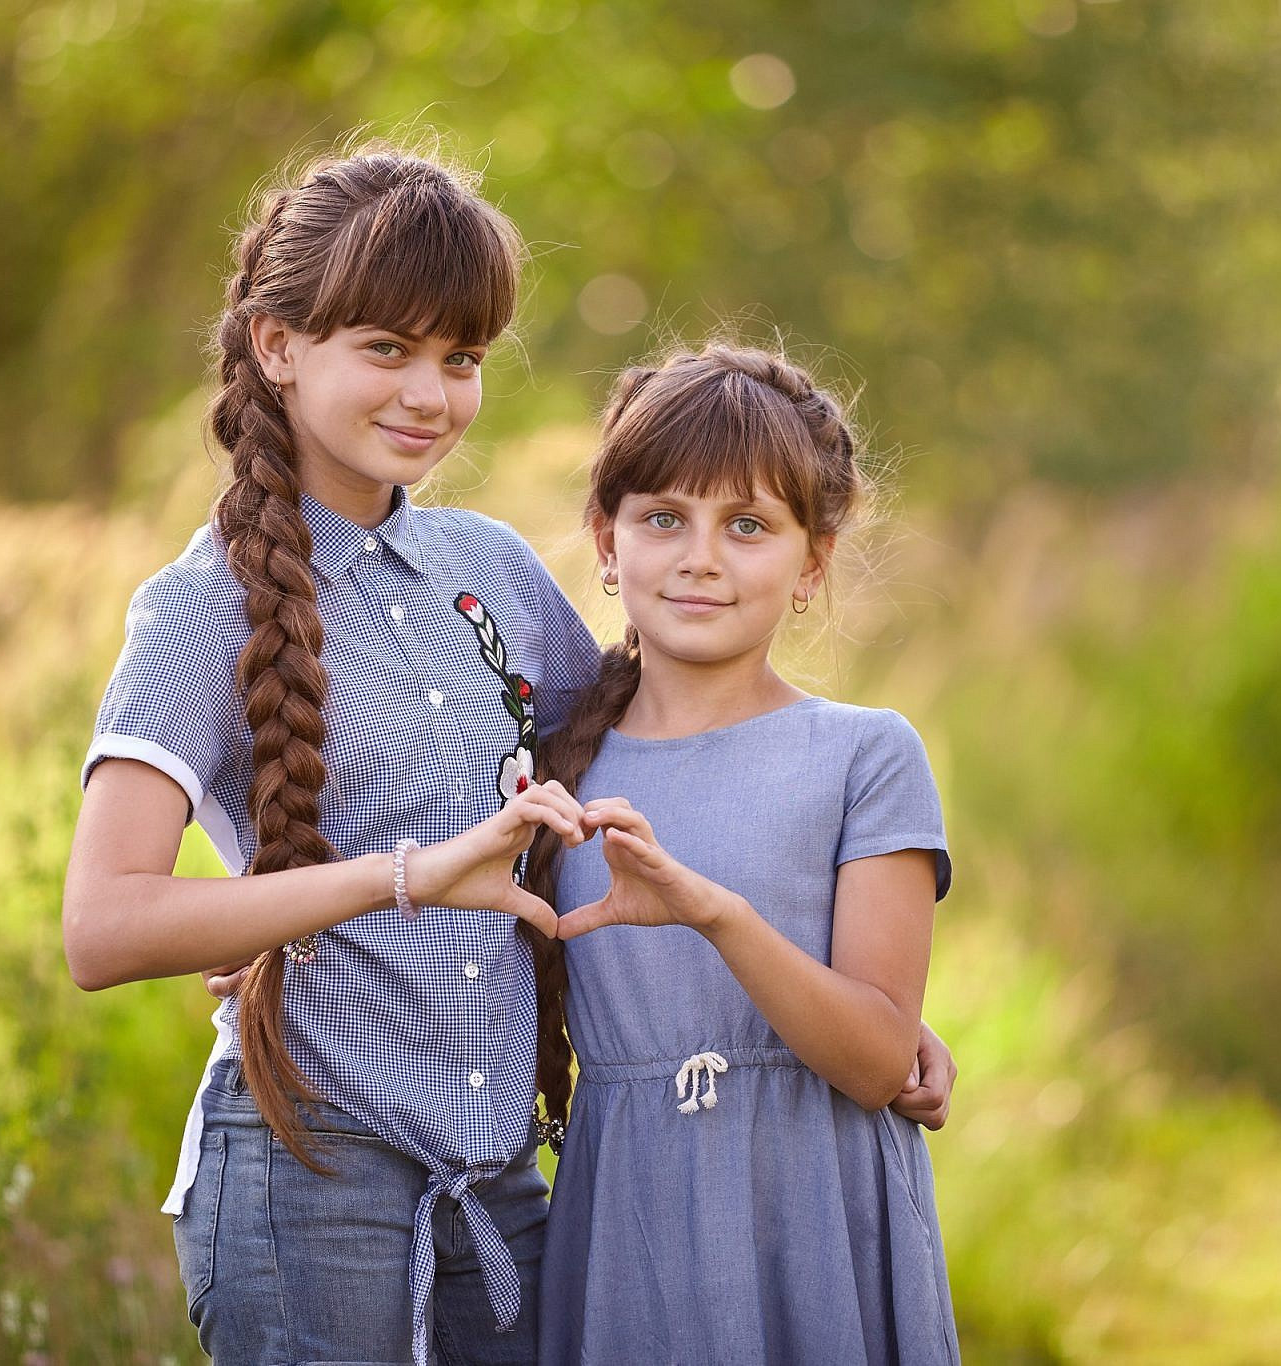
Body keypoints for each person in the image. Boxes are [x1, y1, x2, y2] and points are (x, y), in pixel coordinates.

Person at [65, 142, 957, 1366]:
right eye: (386, 348)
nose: (427, 393)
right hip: (313, 1179)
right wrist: (378, 886)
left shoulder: (492, 575)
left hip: (503, 1183)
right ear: (277, 346)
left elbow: (657, 770)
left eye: (461, 358)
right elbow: (102, 926)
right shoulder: (199, 610)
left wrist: (875, 1024)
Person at [528, 344, 962, 1364]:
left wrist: (711, 912)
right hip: (624, 1221)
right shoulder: (551, 765)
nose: (699, 558)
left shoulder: (864, 754)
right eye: (663, 518)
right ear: (606, 537)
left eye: (748, 526)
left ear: (811, 562)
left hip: (812, 1210)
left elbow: (870, 1058)